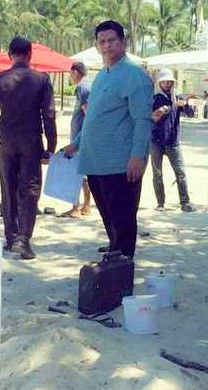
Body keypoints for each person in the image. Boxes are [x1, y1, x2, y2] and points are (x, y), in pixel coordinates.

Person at [64, 20, 153, 258]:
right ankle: (114, 256)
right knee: (110, 220)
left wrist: (138, 156)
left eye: (112, 40)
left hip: (120, 164)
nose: (107, 46)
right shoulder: (102, 76)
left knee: (123, 223)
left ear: (123, 42)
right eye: (102, 41)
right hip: (95, 162)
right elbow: (95, 117)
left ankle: (122, 272)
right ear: (96, 45)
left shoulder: (135, 75)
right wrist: (77, 143)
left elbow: (143, 120)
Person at [0, 36, 57, 260]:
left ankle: (11, 238)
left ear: (10, 55)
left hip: (5, 138)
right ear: (30, 55)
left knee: (8, 187)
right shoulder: (41, 79)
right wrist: (51, 146)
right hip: (30, 139)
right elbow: (48, 115)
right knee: (29, 189)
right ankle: (23, 239)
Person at [150, 68, 195, 212]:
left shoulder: (178, 98)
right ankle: (160, 203)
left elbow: (191, 114)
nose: (167, 84)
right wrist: (158, 112)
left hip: (173, 142)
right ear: (160, 83)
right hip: (156, 141)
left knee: (180, 172)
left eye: (169, 81)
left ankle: (185, 203)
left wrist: (185, 105)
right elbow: (149, 119)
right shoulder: (155, 99)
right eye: (164, 81)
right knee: (157, 174)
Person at [62, 61, 92, 218]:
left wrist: (78, 141)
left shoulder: (83, 87)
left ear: (74, 72)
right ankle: (83, 206)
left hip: (80, 138)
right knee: (81, 172)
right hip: (80, 136)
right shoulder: (87, 86)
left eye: (70, 74)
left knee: (79, 172)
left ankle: (79, 207)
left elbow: (89, 115)